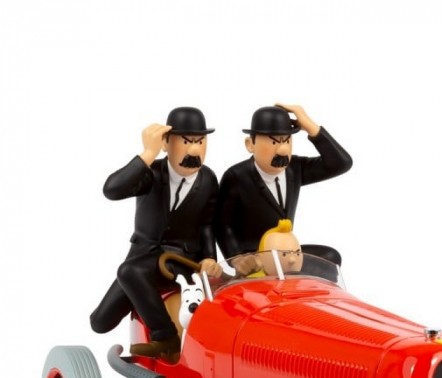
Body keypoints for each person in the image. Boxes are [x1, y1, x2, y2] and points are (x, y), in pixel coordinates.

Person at [89, 107, 221, 362]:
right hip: (144, 257)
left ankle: (166, 337)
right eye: (186, 141)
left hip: (180, 261)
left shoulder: (208, 179)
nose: (194, 150)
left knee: (128, 272)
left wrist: (209, 257)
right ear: (166, 143)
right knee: (99, 322)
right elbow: (111, 190)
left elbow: (207, 224)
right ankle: (147, 303)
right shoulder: (152, 173)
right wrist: (148, 154)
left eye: (200, 141)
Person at [215, 104, 352, 262]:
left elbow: (341, 163)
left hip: (287, 254)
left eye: (287, 141)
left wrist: (311, 127)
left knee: (330, 258)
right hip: (256, 258)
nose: (283, 150)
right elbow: (222, 226)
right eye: (274, 142)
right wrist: (238, 258)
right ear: (250, 144)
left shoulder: (295, 168)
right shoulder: (236, 176)